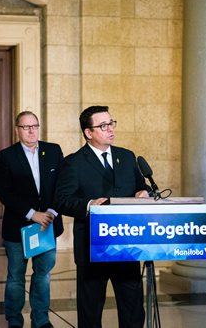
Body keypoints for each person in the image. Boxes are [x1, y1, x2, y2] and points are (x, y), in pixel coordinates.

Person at [54, 105, 150, 328]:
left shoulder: (127, 157)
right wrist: (88, 204)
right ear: (89, 132)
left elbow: (141, 186)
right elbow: (61, 199)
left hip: (126, 245)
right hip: (92, 248)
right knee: (90, 311)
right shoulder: (74, 162)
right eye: (103, 125)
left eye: (111, 123)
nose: (110, 129)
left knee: (133, 308)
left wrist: (144, 192)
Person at [0, 111, 64, 328]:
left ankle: (41, 320)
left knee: (42, 275)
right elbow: (5, 192)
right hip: (19, 228)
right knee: (16, 277)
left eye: (35, 125)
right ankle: (14, 321)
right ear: (17, 129)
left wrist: (50, 213)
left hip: (47, 226)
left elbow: (62, 186)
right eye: (26, 127)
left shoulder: (53, 151)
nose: (32, 130)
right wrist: (32, 214)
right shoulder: (6, 156)